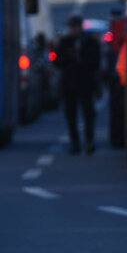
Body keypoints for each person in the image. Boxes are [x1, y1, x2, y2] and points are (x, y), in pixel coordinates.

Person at [54, 15, 100, 154]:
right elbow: (57, 62)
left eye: (73, 27)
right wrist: (69, 56)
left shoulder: (90, 42)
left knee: (88, 115)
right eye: (70, 27)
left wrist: (81, 57)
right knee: (71, 116)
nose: (71, 30)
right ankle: (75, 143)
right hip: (69, 84)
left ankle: (89, 142)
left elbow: (95, 62)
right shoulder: (65, 42)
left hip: (85, 83)